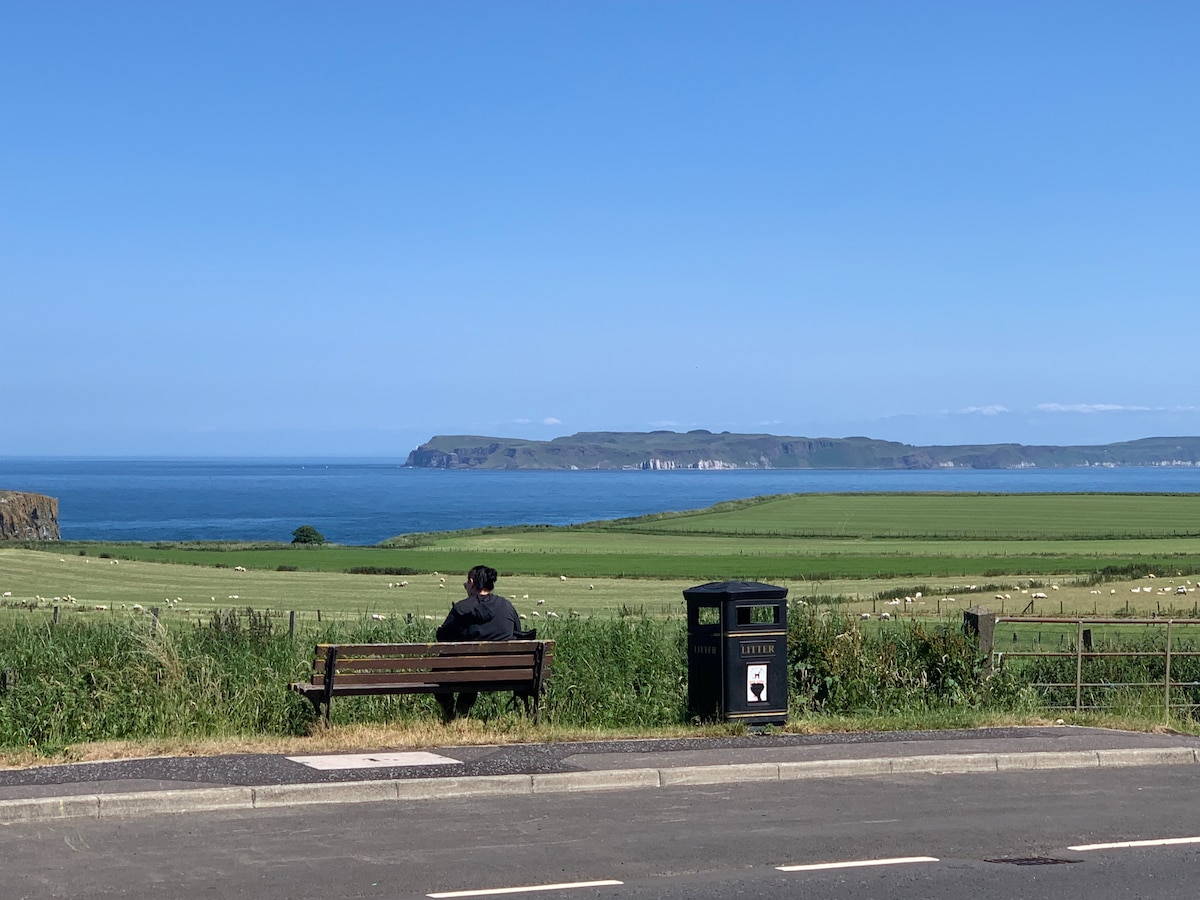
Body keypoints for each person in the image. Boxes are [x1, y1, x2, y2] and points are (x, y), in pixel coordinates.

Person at [434, 564, 522, 721]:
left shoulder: (461, 608)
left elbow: (442, 637)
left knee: (440, 672)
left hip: (467, 669)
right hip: (504, 671)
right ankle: (461, 714)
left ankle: (450, 715)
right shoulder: (507, 606)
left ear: (471, 582)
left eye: (466, 584)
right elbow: (518, 632)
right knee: (471, 668)